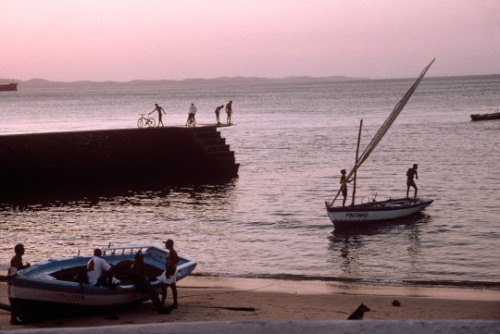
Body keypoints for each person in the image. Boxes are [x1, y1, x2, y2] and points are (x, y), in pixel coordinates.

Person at [9, 244, 30, 325]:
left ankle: (15, 318)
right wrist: (25, 267)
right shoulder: (15, 259)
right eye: (23, 249)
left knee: (15, 301)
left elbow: (19, 268)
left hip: (15, 282)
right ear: (19, 250)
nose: (24, 250)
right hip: (13, 283)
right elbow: (18, 269)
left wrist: (25, 267)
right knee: (14, 301)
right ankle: (13, 319)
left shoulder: (19, 258)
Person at [158, 239, 180, 308]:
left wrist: (168, 272)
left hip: (171, 271)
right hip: (173, 270)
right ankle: (175, 303)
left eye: (166, 244)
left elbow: (172, 263)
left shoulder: (172, 253)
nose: (165, 245)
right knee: (173, 287)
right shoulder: (173, 252)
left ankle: (162, 303)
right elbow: (177, 259)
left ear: (170, 245)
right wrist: (173, 266)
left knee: (164, 287)